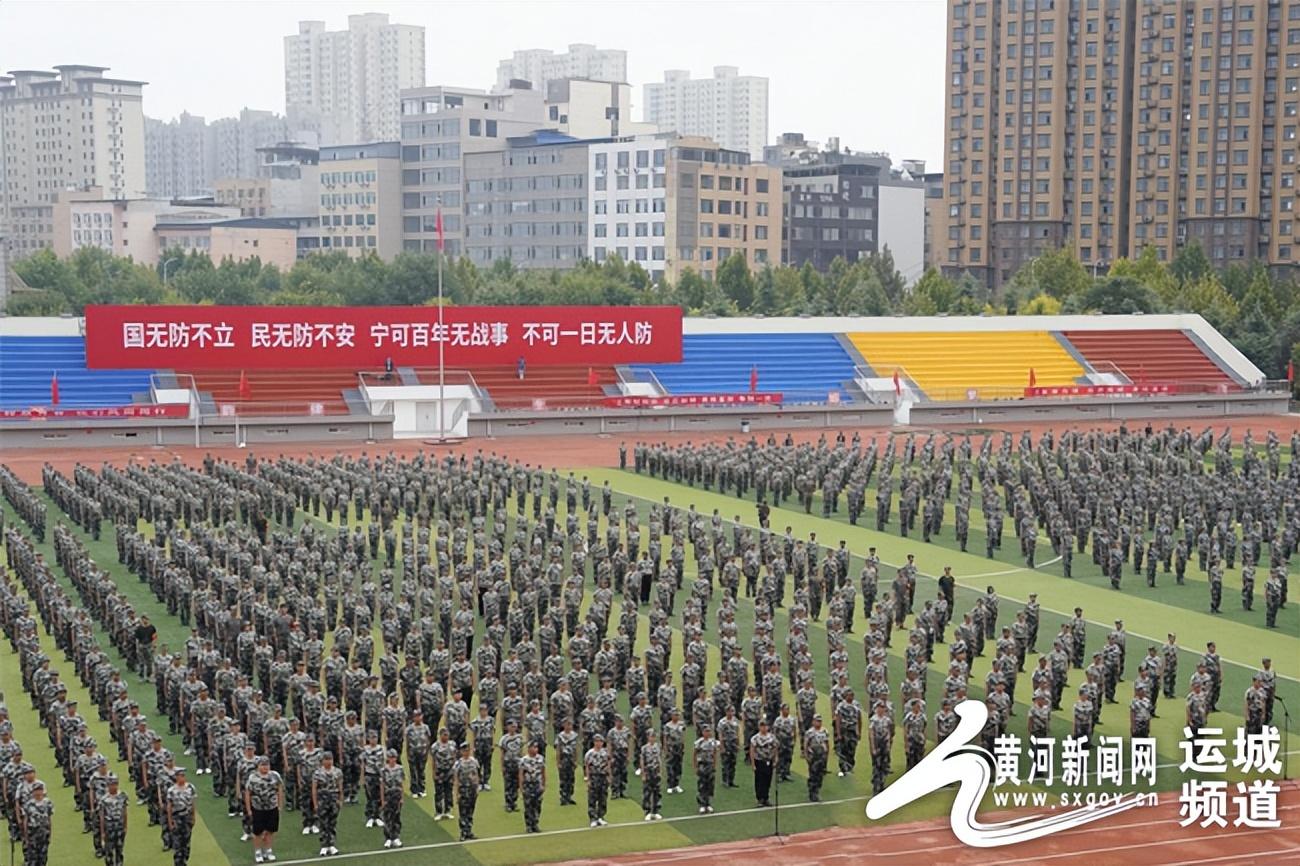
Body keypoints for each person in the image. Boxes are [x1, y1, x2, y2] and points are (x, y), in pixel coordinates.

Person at [244, 756, 283, 864]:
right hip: (258, 808)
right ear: (258, 766)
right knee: (258, 831)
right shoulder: (253, 777)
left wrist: (280, 805)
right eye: (263, 765)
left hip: (272, 807)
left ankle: (268, 850)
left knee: (271, 830)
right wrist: (249, 809)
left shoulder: (275, 776)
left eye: (267, 765)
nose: (265, 767)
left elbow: (279, 789)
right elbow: (248, 793)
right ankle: (258, 852)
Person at [312, 751, 343, 857]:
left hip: (333, 799)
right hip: (322, 800)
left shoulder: (337, 772)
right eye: (326, 759)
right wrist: (315, 803)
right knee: (323, 823)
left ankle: (332, 844)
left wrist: (340, 800)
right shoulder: (317, 773)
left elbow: (340, 787)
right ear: (322, 761)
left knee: (332, 823)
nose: (328, 761)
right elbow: (314, 789)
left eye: (330, 759)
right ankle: (324, 845)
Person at [165, 768, 197, 866]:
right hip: (177, 819)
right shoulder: (171, 790)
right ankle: (179, 863)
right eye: (180, 776)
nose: (182, 778)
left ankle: (184, 860)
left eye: (183, 776)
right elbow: (169, 807)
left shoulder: (190, 788)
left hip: (187, 819)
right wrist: (170, 822)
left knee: (186, 844)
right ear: (176, 777)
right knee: (177, 845)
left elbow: (192, 803)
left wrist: (193, 817)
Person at [21, 779, 53, 866]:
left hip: (44, 834)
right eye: (36, 790)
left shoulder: (48, 803)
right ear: (33, 792)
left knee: (43, 857)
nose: (38, 792)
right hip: (32, 834)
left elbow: (49, 819)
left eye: (40, 790)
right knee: (33, 858)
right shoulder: (28, 805)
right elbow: (25, 820)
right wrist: (26, 836)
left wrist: (50, 833)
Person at [98, 774, 129, 866]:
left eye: (115, 784)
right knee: (109, 852)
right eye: (111, 784)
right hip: (109, 828)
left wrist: (125, 826)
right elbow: (102, 817)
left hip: (119, 827)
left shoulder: (123, 796)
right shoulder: (104, 799)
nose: (113, 786)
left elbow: (125, 812)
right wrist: (102, 832)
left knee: (119, 850)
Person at [453, 741, 480, 842]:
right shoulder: (458, 764)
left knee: (470, 812)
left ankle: (469, 831)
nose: (467, 752)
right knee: (463, 812)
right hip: (463, 790)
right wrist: (456, 793)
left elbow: (476, 775)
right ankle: (463, 833)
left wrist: (477, 788)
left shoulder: (474, 761)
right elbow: (456, 779)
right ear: (461, 752)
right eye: (465, 750)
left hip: (472, 790)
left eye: (468, 750)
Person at [583, 732, 611, 827]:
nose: (599, 743)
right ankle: (593, 818)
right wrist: (588, 779)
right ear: (594, 742)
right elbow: (587, 766)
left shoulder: (605, 752)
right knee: (592, 798)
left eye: (600, 741)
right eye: (597, 741)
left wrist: (609, 776)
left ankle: (601, 817)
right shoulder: (589, 754)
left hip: (603, 777)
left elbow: (608, 764)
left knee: (602, 798)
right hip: (594, 777)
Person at [379, 748, 404, 848]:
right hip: (388, 795)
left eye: (394, 757)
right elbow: (382, 785)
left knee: (396, 817)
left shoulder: (400, 769)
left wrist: (402, 798)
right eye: (390, 757)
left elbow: (401, 784)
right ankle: (388, 838)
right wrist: (382, 800)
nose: (392, 759)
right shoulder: (383, 770)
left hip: (397, 795)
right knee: (387, 817)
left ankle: (396, 837)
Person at [519, 739, 546, 833]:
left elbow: (543, 772)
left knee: (537, 805)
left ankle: (535, 824)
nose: (536, 749)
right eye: (534, 747)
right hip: (528, 785)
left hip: (537, 785)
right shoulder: (523, 760)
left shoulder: (541, 758)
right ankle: (529, 825)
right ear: (529, 748)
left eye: (537, 747)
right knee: (528, 806)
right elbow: (521, 774)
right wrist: (521, 787)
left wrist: (543, 784)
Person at [749, 718, 776, 807]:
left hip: (769, 761)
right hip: (759, 761)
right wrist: (753, 764)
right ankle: (760, 799)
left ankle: (766, 798)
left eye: (765, 725)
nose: (764, 728)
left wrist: (775, 759)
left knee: (768, 780)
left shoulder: (771, 737)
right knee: (759, 780)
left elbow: (775, 748)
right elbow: (752, 751)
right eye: (762, 726)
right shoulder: (755, 738)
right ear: (759, 727)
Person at [803, 714, 830, 802]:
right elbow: (806, 744)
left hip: (822, 757)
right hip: (813, 757)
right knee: (813, 775)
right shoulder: (809, 732)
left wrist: (826, 756)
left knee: (820, 775)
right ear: (813, 722)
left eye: (820, 721)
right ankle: (812, 793)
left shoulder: (825, 731)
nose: (819, 722)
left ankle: (817, 791)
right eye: (817, 721)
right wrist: (806, 756)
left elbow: (827, 744)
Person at [693, 724, 719, 813]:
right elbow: (695, 754)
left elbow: (715, 753)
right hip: (702, 765)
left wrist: (715, 765)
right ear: (702, 732)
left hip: (710, 765)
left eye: (709, 731)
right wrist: (695, 766)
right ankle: (702, 804)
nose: (708, 733)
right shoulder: (699, 742)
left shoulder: (713, 742)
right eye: (706, 731)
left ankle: (708, 803)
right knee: (702, 785)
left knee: (710, 785)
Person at [640, 730, 663, 821]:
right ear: (648, 737)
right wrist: (643, 773)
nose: (653, 738)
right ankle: (648, 811)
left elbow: (659, 759)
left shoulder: (658, 747)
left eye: (654, 736)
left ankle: (656, 811)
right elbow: (642, 761)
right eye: (651, 736)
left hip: (656, 771)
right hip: (648, 772)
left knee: (657, 792)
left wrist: (661, 771)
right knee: (647, 792)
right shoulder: (644, 748)